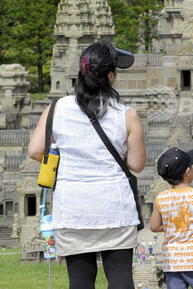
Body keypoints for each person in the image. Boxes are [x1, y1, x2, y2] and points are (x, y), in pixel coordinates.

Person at [28, 41, 146, 289]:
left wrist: (68, 161)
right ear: (111, 77)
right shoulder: (127, 114)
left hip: (73, 207)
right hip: (115, 207)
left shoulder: (56, 109)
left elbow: (35, 150)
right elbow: (136, 164)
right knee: (121, 278)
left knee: (80, 281)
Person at [150, 147, 193, 289]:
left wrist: (174, 226)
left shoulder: (161, 199)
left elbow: (154, 226)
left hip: (174, 261)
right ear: (188, 172)